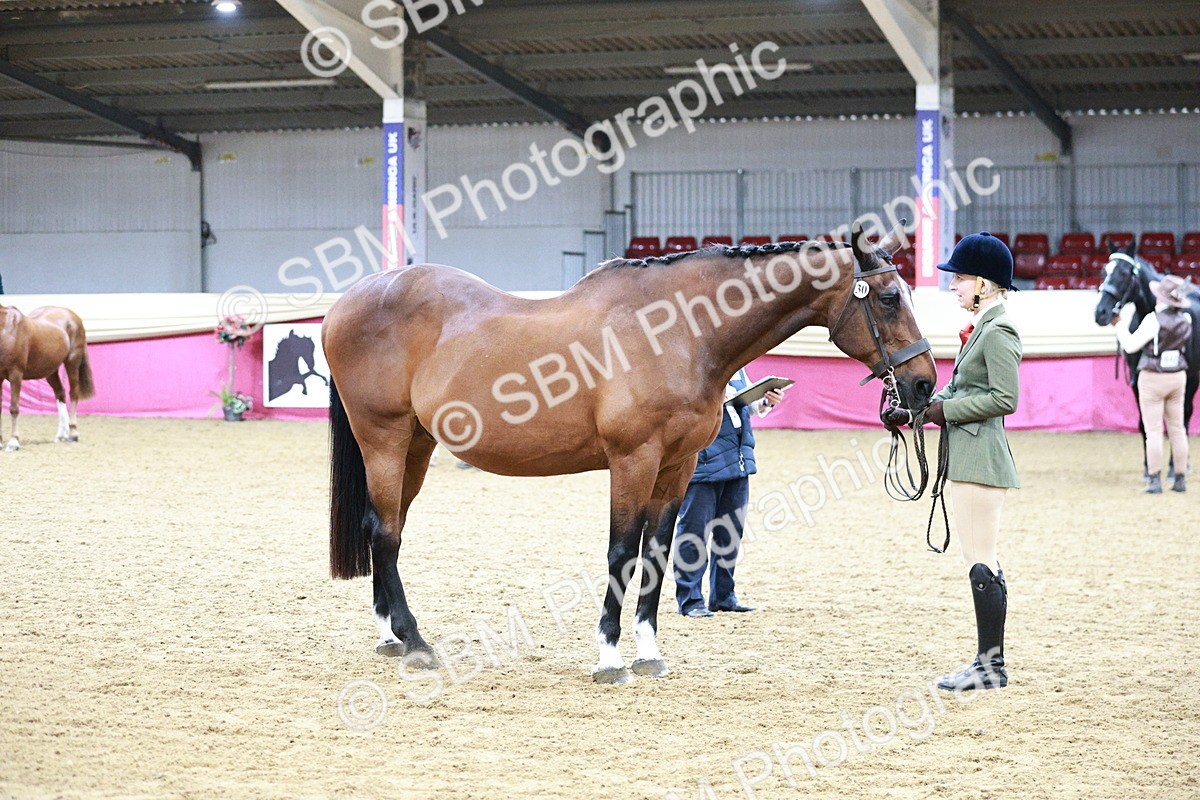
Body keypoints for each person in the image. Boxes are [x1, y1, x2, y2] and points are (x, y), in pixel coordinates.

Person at [922, 232, 1022, 691]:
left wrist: (946, 412)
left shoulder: (999, 331)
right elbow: (962, 388)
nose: (953, 285)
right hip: (968, 456)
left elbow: (1004, 398)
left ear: (983, 283)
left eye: (960, 278)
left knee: (982, 563)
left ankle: (989, 667)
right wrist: (921, 410)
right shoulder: (981, 327)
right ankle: (988, 664)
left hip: (981, 459)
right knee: (980, 561)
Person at [672, 368, 786, 617]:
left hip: (738, 461)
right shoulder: (692, 364)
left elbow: (747, 406)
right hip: (702, 463)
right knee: (694, 533)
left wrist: (766, 401)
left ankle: (723, 596)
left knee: (730, 534)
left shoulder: (738, 367)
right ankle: (690, 600)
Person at [1114, 274, 1193, 494]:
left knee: (1154, 430)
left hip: (1153, 377)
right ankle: (1179, 478)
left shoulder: (1153, 320)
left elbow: (1131, 345)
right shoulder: (1186, 319)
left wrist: (1119, 326)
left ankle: (1155, 479)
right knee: (1177, 429)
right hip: (1178, 375)